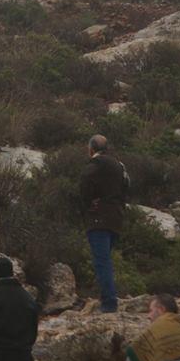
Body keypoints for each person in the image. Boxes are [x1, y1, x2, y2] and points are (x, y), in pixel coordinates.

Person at [79, 134, 128, 313]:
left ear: (91, 148)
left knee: (102, 262)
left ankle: (108, 304)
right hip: (116, 218)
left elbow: (84, 186)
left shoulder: (95, 164)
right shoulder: (119, 165)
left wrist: (88, 204)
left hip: (99, 218)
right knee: (105, 259)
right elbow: (127, 186)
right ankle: (107, 298)